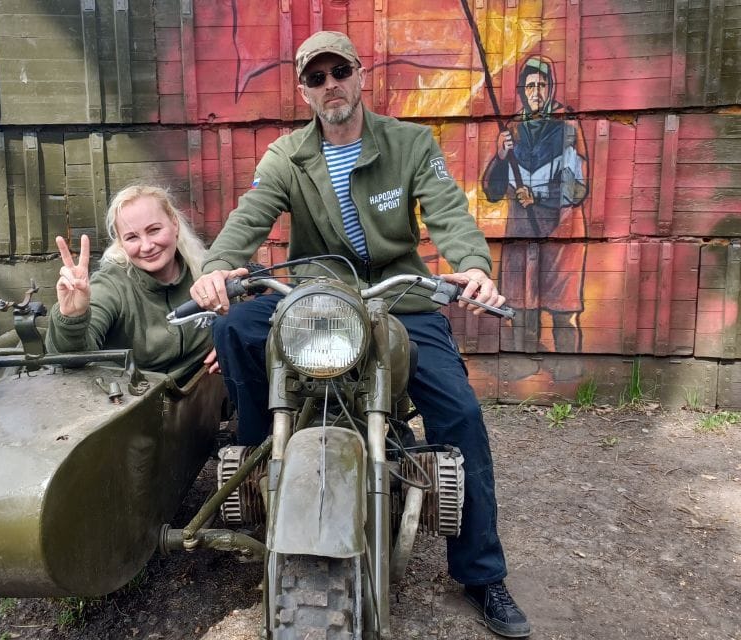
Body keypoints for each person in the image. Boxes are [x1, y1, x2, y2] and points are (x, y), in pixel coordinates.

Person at [189, 31, 531, 638]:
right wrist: (217, 268)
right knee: (237, 325)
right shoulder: (286, 157)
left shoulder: (409, 144)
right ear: (304, 90)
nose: (329, 86)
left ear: (359, 74)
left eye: (338, 71)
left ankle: (482, 574)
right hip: (314, 296)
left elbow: (447, 209)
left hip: (398, 298)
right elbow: (249, 216)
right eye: (315, 78)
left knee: (459, 413)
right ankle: (259, 467)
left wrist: (472, 265)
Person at [46, 185, 214, 382]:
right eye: (132, 237)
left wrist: (229, 342)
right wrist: (72, 319)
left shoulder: (205, 271)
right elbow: (71, 359)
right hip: (132, 399)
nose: (147, 246)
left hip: (200, 398)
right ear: (121, 242)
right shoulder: (112, 284)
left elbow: (236, 313)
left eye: (154, 230)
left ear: (174, 224)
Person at [482, 55, 588, 353]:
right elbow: (491, 191)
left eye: (542, 85)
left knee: (561, 312)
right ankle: (519, 371)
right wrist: (500, 158)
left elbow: (577, 189)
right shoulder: (513, 130)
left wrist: (539, 197)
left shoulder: (566, 128)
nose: (536, 92)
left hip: (559, 233)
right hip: (520, 231)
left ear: (551, 88)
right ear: (522, 90)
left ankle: (567, 378)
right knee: (519, 309)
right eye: (530, 86)